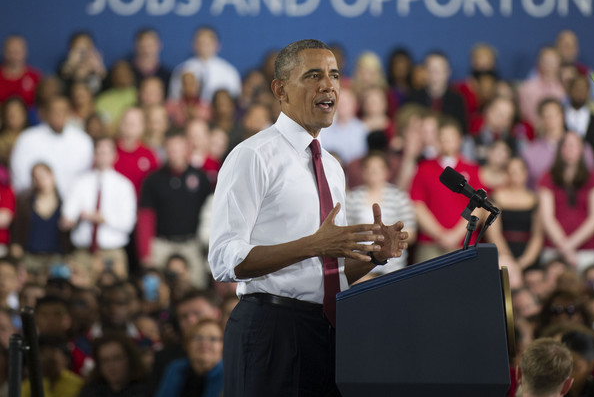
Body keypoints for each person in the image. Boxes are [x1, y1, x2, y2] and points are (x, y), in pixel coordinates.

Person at [208, 39, 407, 397]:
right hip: (270, 329)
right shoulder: (253, 156)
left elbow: (328, 274)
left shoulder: (332, 167)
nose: (328, 85)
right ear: (280, 90)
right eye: (313, 75)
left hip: (325, 330)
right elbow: (224, 260)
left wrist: (374, 256)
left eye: (333, 75)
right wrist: (312, 245)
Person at [138, 128, 211, 288]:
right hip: (161, 244)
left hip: (191, 244)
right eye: (170, 148)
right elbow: (145, 217)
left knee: (197, 285)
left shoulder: (201, 178)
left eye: (177, 148)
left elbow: (211, 214)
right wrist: (145, 253)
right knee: (156, 289)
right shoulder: (153, 180)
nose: (174, 152)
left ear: (187, 148)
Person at [61, 137, 137, 284]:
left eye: (106, 152)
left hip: (112, 252)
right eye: (98, 152)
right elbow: (67, 217)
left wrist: (101, 218)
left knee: (114, 297)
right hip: (83, 252)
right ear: (93, 155)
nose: (102, 156)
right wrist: (75, 218)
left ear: (114, 156)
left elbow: (128, 223)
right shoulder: (80, 182)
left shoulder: (124, 185)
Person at [410, 118, 484, 262]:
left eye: (451, 139)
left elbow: (478, 207)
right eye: (443, 139)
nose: (447, 143)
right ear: (437, 141)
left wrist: (457, 234)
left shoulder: (472, 170)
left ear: (459, 140)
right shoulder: (424, 169)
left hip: (465, 242)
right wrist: (440, 234)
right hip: (430, 243)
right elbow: (418, 205)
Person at [538, 132, 594, 272]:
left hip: (587, 249)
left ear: (581, 149)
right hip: (553, 248)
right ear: (560, 149)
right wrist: (565, 248)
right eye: (566, 145)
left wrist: (569, 246)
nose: (570, 149)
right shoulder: (547, 177)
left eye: (574, 145)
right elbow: (547, 217)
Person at [345, 151, 417, 277]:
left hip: (393, 268)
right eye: (369, 168)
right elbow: (345, 233)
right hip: (360, 268)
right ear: (363, 171)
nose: (373, 172)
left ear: (387, 171)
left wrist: (390, 237)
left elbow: (411, 232)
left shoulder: (399, 197)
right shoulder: (351, 198)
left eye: (378, 168)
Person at [10, 96, 94, 198]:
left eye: (63, 111)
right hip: (36, 203)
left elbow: (86, 177)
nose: (59, 114)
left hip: (73, 203)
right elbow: (19, 176)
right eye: (54, 111)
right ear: (45, 113)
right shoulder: (27, 139)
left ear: (70, 113)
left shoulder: (83, 141)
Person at [168, 27, 241, 102]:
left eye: (208, 43)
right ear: (193, 45)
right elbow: (174, 98)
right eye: (200, 42)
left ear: (218, 45)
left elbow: (235, 99)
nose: (204, 46)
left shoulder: (228, 71)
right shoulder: (182, 69)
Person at [154, 318, 224, 397]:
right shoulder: (175, 368)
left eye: (213, 339)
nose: (204, 343)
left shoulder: (230, 375)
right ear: (187, 344)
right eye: (198, 337)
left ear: (223, 345)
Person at [408, 51, 468, 133]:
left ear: (448, 72)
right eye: (430, 70)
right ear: (424, 72)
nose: (434, 75)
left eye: (438, 70)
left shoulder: (457, 100)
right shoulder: (413, 98)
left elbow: (461, 130)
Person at [78, 333, 150, 397]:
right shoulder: (90, 391)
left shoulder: (147, 389)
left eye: (116, 359)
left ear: (130, 359)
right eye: (105, 360)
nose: (111, 366)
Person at [518, 46, 566, 127]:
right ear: (539, 63)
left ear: (559, 64)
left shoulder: (564, 90)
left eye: (553, 61)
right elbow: (525, 117)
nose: (549, 65)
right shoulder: (526, 88)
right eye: (546, 61)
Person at [0, 35, 41, 107]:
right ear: (4, 52)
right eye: (10, 51)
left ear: (25, 52)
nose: (13, 56)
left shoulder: (35, 77)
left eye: (17, 51)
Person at [131, 27, 171, 92]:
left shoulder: (167, 76)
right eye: (143, 46)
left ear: (159, 45)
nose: (147, 51)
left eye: (150, 45)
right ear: (135, 46)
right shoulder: (125, 74)